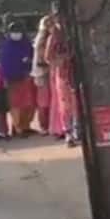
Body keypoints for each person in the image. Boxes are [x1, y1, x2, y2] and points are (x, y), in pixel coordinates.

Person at [45, 16, 79, 146]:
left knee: (77, 102)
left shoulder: (74, 33)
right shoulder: (54, 37)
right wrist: (60, 61)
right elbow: (48, 57)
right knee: (65, 104)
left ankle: (77, 129)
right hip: (63, 74)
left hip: (76, 72)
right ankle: (68, 132)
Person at [0, 22, 36, 137]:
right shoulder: (7, 46)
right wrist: (6, 78)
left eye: (18, 31)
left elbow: (32, 57)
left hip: (25, 77)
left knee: (27, 104)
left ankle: (25, 126)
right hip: (12, 79)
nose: (16, 33)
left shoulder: (26, 44)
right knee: (15, 105)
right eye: (14, 31)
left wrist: (28, 62)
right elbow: (4, 63)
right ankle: (17, 128)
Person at [32, 16, 52, 134]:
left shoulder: (45, 37)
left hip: (45, 72)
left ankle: (48, 124)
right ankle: (44, 125)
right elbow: (41, 59)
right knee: (44, 101)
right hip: (42, 73)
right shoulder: (42, 39)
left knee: (48, 100)